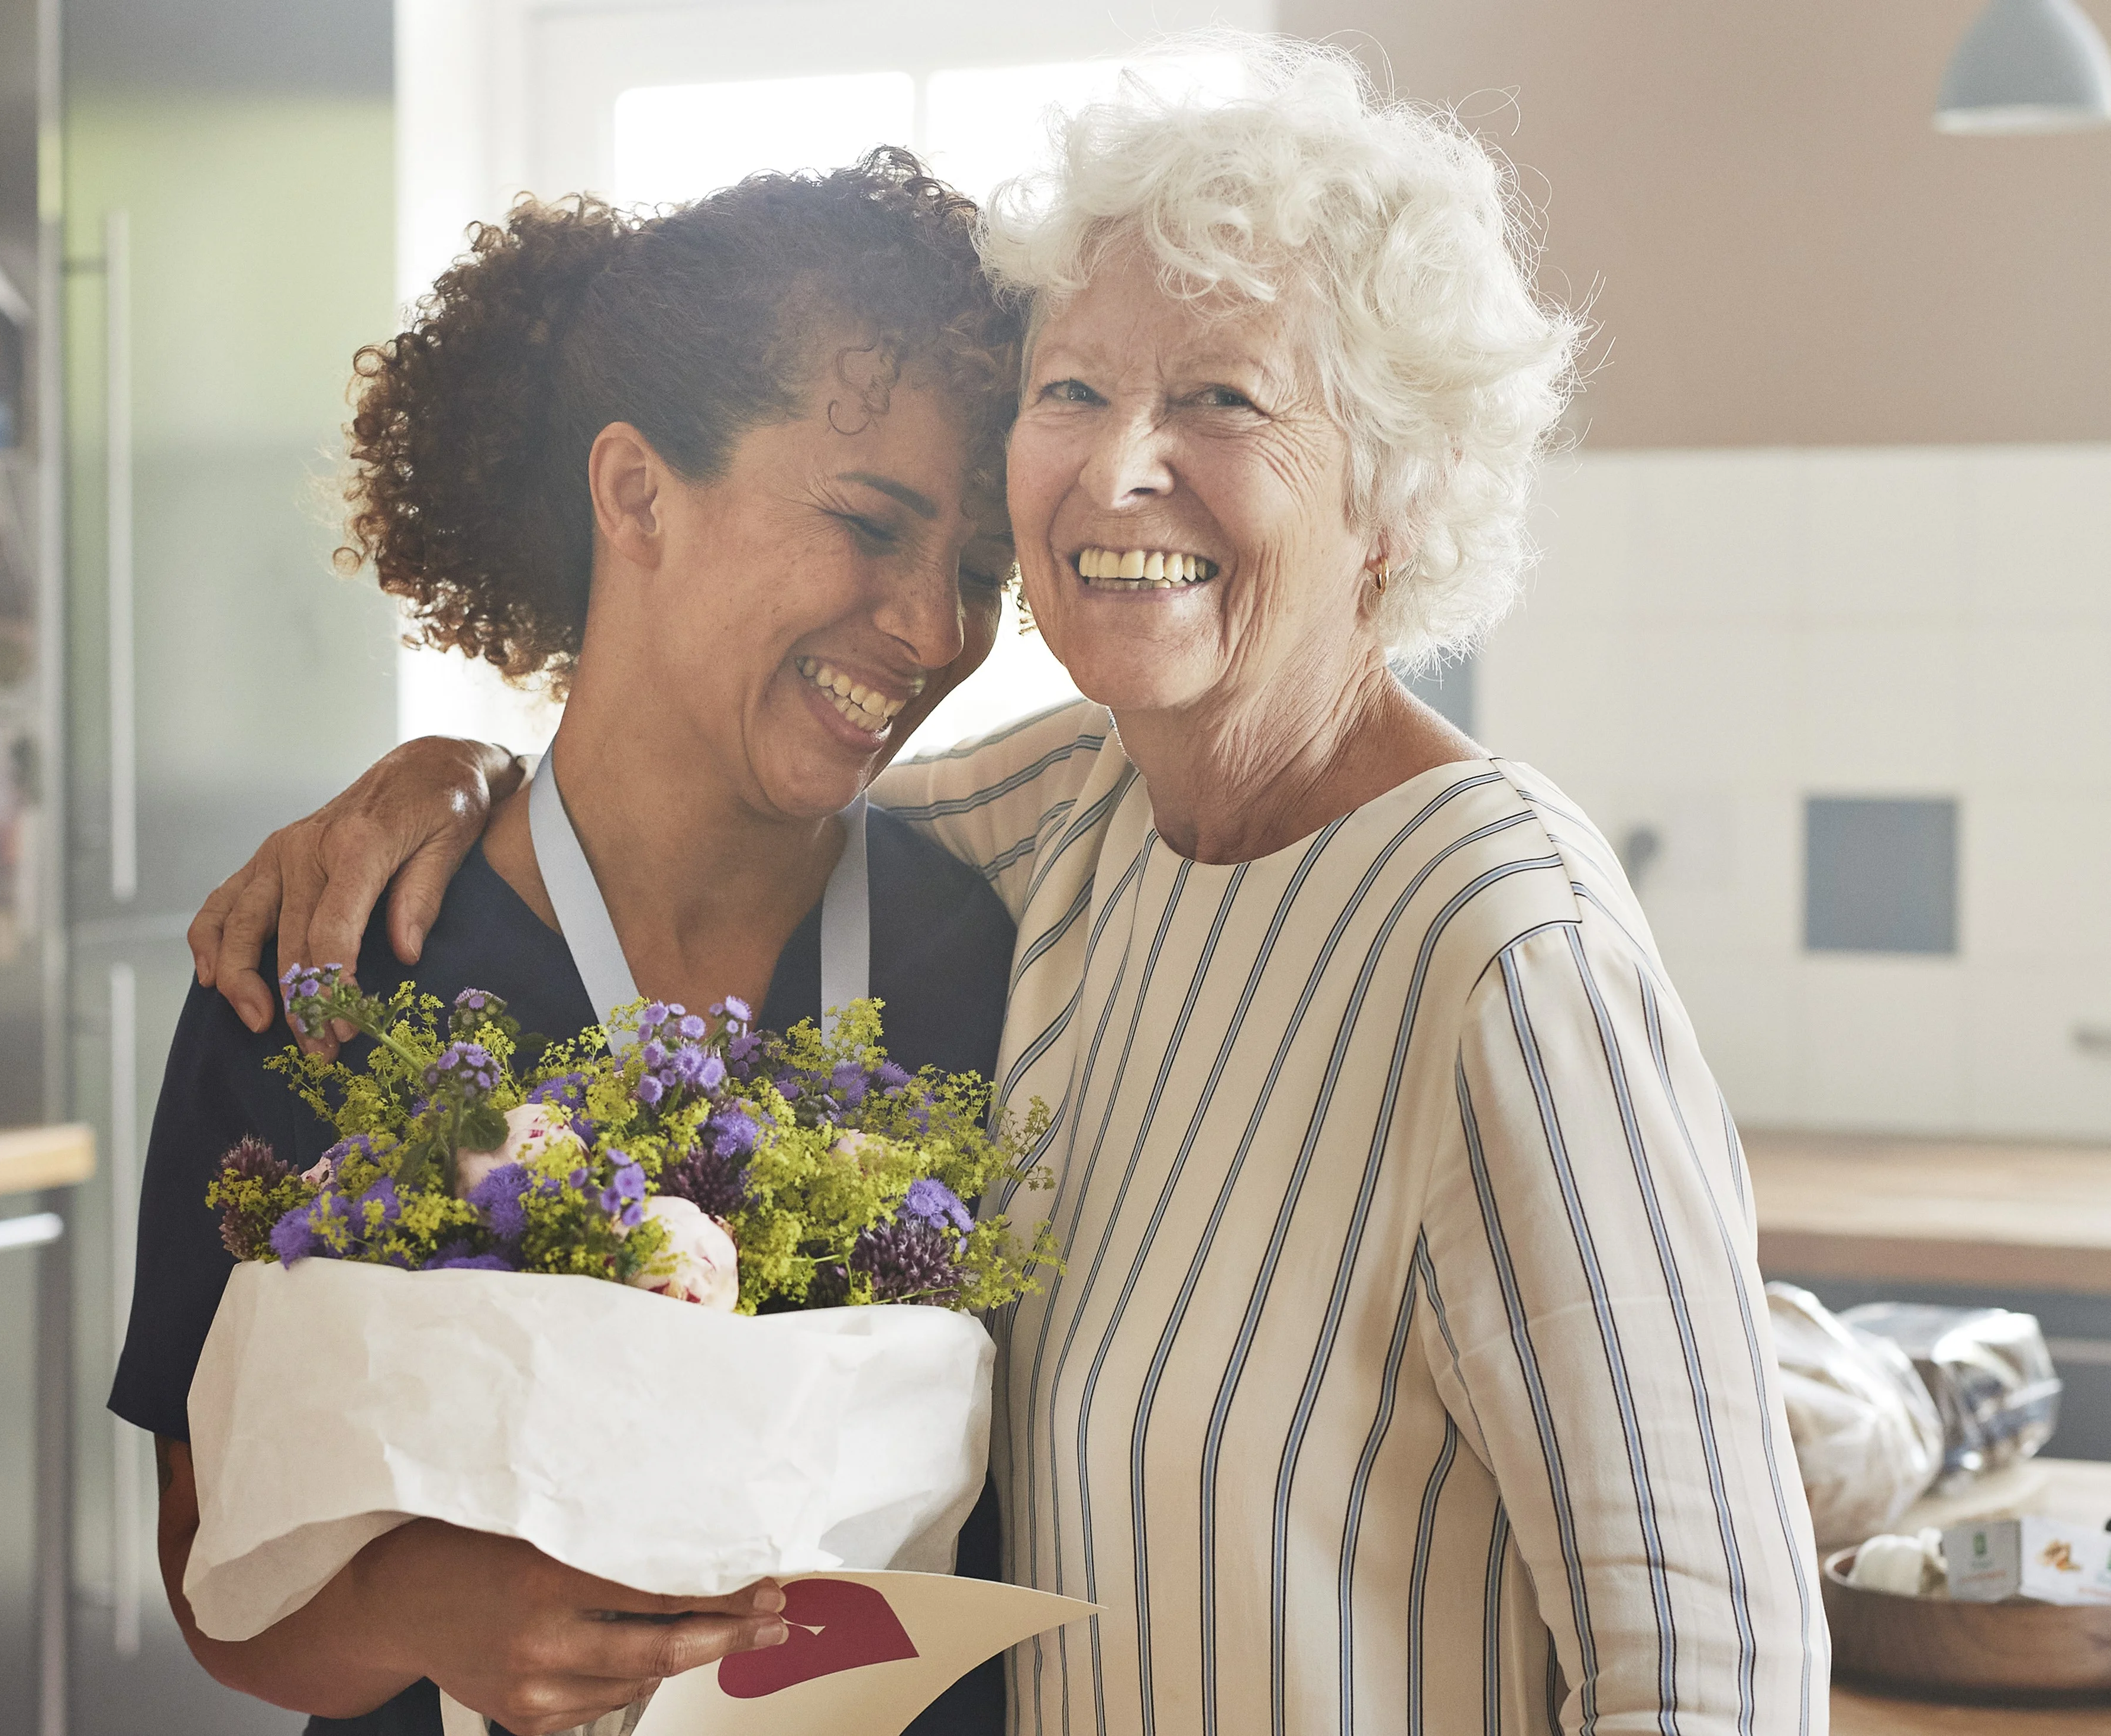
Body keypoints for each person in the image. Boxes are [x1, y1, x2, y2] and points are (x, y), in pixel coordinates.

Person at [188, 37, 1829, 1735]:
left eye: (1223, 398)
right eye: (1070, 390)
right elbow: (694, 791)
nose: (1117, 465)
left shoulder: (1505, 947)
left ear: (1394, 499)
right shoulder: (1053, 824)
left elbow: (1711, 1669)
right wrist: (448, 776)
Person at [109, 151, 1029, 1736]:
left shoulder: (995, 961)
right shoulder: (329, 972)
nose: (934, 628)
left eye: (975, 570)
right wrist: (420, 1610)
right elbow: (213, 1578)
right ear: (632, 493)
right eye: (870, 525)